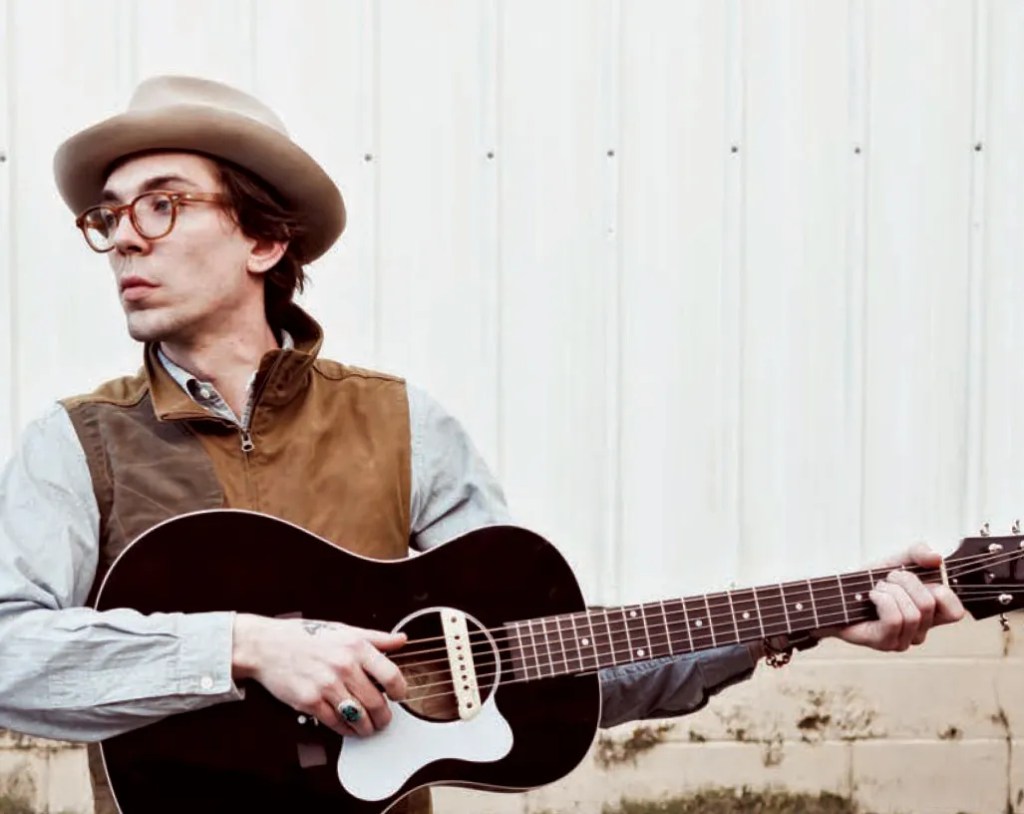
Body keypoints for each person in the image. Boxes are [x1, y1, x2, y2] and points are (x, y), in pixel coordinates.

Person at [0, 75, 964, 814]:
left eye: (162, 203)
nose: (125, 240)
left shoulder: (403, 424)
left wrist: (800, 616)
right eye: (107, 217)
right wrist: (249, 647)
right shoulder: (75, 444)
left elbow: (543, 661)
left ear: (264, 242)